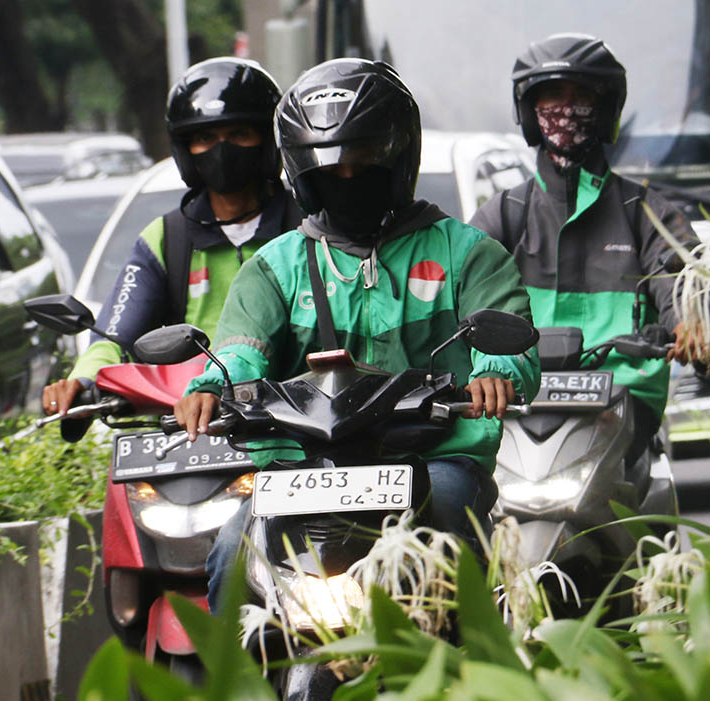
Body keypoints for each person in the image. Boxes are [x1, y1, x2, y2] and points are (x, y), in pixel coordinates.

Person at [172, 58, 541, 611]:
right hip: (301, 469)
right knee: (231, 554)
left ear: (397, 157)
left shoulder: (467, 254)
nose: (346, 178)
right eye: (329, 168)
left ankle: (474, 659)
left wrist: (495, 372)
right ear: (302, 172)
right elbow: (240, 350)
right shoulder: (274, 268)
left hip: (433, 459)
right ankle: (234, 671)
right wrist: (211, 387)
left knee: (453, 535)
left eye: (362, 160)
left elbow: (511, 343)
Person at [469, 33, 710, 466]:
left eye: (580, 95)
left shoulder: (647, 214)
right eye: (552, 95)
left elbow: (683, 277)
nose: (566, 108)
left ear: (606, 108)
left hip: (621, 405)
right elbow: (458, 290)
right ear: (530, 110)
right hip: (517, 404)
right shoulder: (503, 215)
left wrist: (692, 322)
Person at [42, 57, 300, 416]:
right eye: (205, 138)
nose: (222, 150)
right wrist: (83, 379)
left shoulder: (305, 226)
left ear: (268, 141)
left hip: (294, 416)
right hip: (190, 422)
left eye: (239, 134)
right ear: (184, 148)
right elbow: (116, 333)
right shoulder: (167, 239)